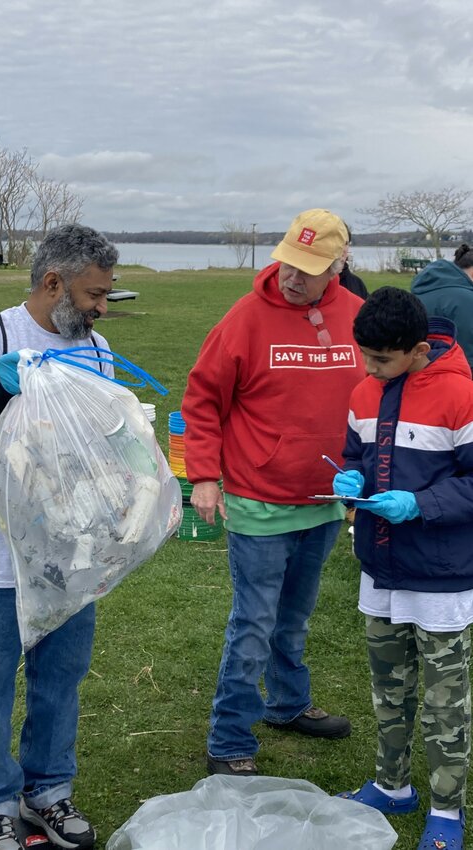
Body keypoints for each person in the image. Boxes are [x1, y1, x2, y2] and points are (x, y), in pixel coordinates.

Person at [0, 223, 119, 850]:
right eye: (94, 295)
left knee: (60, 680)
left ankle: (47, 791)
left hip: (70, 557)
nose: (101, 307)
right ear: (53, 283)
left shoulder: (95, 348)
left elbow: (101, 447)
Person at [181, 208, 365, 777]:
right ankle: (230, 738)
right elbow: (202, 400)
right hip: (260, 500)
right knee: (254, 621)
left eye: (308, 268)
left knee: (295, 617)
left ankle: (287, 704)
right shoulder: (245, 318)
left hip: (325, 500)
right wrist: (204, 475)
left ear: (338, 265)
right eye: (288, 261)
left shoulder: (357, 315)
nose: (292, 276)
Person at [333, 287, 473, 850]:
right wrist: (352, 479)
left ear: (418, 349)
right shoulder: (365, 390)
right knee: (389, 690)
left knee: (444, 702)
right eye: (364, 356)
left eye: (382, 359)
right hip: (381, 569)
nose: (370, 369)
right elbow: (354, 454)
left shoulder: (462, 396)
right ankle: (392, 786)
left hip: (440, 578)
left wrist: (422, 505)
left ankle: (446, 809)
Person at [411, 243, 473, 371]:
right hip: (460, 374)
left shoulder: (421, 290)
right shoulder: (467, 299)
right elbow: (468, 349)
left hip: (421, 369)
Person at [338, 225, 368, 300]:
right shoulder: (312, 284)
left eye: (345, 243)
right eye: (337, 242)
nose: (342, 249)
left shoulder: (357, 284)